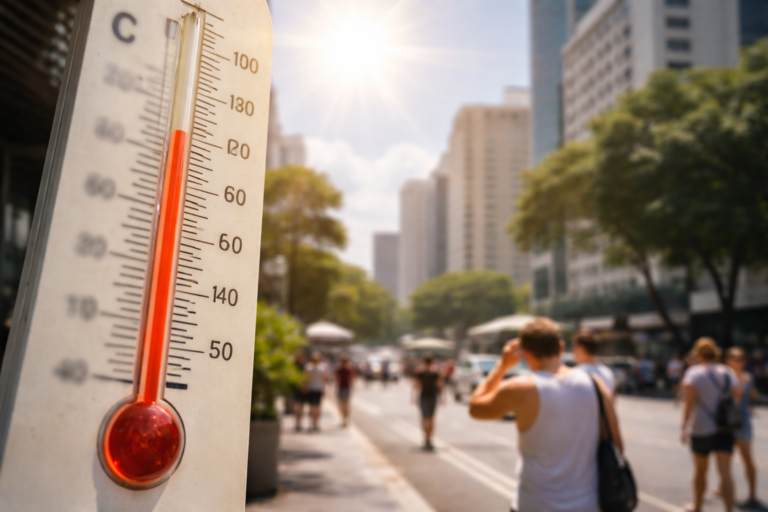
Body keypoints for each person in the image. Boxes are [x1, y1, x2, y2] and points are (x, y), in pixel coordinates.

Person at [470, 318, 621, 512]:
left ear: (524, 353)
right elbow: (616, 444)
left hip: (535, 506)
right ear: (561, 347)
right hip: (588, 506)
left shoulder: (520, 388)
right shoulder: (595, 384)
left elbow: (476, 407)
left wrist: (502, 365)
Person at [680, 338, 741, 512]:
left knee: (700, 471)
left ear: (698, 354)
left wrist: (684, 426)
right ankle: (729, 509)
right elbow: (736, 394)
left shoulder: (694, 373)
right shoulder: (727, 371)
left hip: (701, 427)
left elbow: (689, 402)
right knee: (726, 474)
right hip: (725, 427)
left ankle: (697, 506)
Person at [721, 347, 760, 508]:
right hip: (727, 423)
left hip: (742, 422)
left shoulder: (747, 377)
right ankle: (723, 488)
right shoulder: (724, 376)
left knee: (747, 458)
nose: (739, 362)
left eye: (742, 359)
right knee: (725, 460)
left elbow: (752, 396)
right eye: (735, 358)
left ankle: (752, 494)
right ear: (728, 360)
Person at [412, 353, 443, 451]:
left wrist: (413, 397)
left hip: (423, 397)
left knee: (424, 418)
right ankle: (430, 438)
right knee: (431, 419)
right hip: (433, 397)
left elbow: (416, 385)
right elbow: (440, 385)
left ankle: (426, 438)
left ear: (424, 361)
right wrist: (442, 397)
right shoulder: (435, 372)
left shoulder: (420, 372)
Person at [573, 329, 617, 399]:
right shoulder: (608, 373)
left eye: (574, 348)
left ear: (580, 348)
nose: (573, 353)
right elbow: (611, 404)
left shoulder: (574, 374)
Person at [305, 352, 329, 432]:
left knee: (314, 407)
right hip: (315, 389)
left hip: (315, 389)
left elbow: (324, 379)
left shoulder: (310, 367)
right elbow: (324, 379)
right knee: (315, 408)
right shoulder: (315, 367)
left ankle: (314, 423)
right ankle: (314, 423)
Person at [335, 353, 355, 427]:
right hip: (346, 388)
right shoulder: (349, 369)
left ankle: (344, 419)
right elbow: (352, 379)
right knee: (346, 404)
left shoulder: (339, 369)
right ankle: (346, 419)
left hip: (341, 387)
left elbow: (336, 379)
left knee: (342, 405)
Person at [292, 351, 308, 431]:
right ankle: (298, 423)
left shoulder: (294, 366)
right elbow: (306, 378)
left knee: (297, 406)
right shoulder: (304, 366)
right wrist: (305, 386)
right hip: (300, 388)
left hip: (296, 387)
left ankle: (297, 423)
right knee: (300, 406)